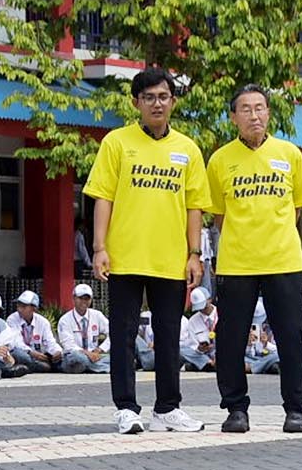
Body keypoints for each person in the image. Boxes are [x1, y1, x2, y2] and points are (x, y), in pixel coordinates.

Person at [84, 67, 210, 433]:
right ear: (136, 102)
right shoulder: (116, 143)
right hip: (124, 257)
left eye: (164, 97)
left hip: (171, 261)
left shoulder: (187, 149)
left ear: (173, 101)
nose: (157, 103)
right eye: (149, 97)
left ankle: (168, 408)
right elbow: (103, 198)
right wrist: (100, 248)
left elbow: (194, 207)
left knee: (169, 335)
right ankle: (126, 408)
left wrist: (194, 254)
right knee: (122, 334)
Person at [203, 84, 302, 432]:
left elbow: (296, 209)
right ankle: (236, 409)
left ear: (269, 113)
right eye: (246, 109)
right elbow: (219, 216)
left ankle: (296, 409)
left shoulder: (290, 154)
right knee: (231, 340)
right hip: (237, 264)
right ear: (233, 117)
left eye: (260, 108)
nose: (254, 115)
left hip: (284, 261)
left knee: (291, 337)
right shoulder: (220, 160)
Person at [58, 283, 110, 373]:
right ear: (74, 298)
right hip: (75, 356)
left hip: (95, 356)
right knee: (76, 357)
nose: (84, 301)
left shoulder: (97, 315)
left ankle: (90, 367)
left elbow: (113, 333)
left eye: (87, 298)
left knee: (118, 357)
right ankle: (106, 368)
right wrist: (87, 353)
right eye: (80, 298)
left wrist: (100, 349)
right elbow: (69, 346)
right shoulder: (65, 320)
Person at [7, 290, 61, 373]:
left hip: (40, 355)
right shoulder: (12, 319)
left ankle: (34, 366)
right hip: (25, 353)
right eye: (18, 305)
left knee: (60, 357)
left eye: (24, 306)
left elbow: (50, 341)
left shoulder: (43, 322)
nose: (19, 309)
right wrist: (31, 352)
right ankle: (39, 366)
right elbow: (16, 342)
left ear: (34, 308)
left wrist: (57, 351)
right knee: (19, 355)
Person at [180, 287, 219, 371]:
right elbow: (192, 346)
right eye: (199, 308)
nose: (202, 310)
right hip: (203, 356)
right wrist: (200, 349)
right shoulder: (193, 321)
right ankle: (208, 364)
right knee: (181, 350)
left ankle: (200, 365)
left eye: (204, 306)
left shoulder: (223, 314)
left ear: (210, 299)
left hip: (222, 352)